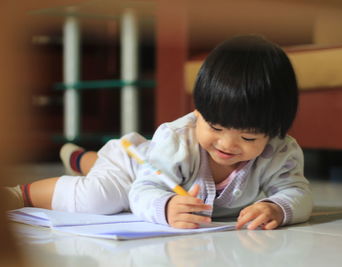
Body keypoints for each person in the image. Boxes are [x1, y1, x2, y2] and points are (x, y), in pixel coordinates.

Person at [5, 35, 313, 230]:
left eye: (248, 138)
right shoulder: (178, 138)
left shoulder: (281, 152)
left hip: (146, 158)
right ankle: (21, 193)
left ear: (275, 131)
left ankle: (83, 159)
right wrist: (164, 207)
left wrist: (278, 207)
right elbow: (142, 190)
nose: (227, 144)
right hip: (133, 166)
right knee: (100, 197)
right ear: (198, 111)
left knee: (99, 174)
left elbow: (298, 192)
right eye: (215, 127)